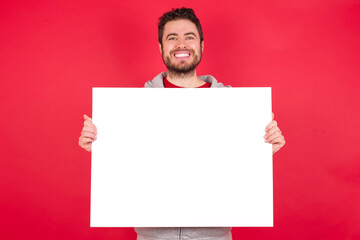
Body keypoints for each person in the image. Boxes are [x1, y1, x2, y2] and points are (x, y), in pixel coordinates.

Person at [79, 7, 286, 240]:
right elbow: (130, 163)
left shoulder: (232, 104)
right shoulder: (135, 107)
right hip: (152, 236)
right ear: (161, 47)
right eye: (172, 38)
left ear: (201, 45)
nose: (181, 44)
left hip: (214, 236)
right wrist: (100, 146)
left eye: (189, 37)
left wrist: (263, 146)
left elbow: (235, 163)